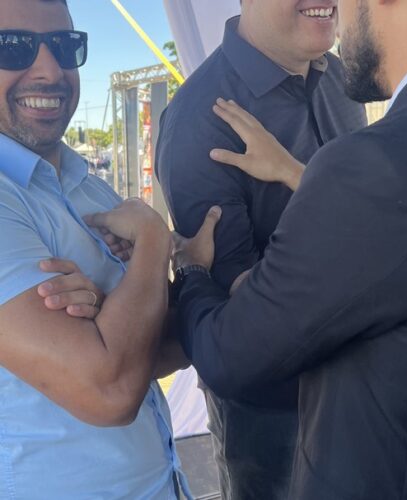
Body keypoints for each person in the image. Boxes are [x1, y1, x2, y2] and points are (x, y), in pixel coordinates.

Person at [166, 0, 407, 498]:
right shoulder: (197, 118)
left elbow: (391, 216)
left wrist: (188, 270)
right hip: (271, 427)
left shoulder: (350, 84)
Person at [155, 1, 367, 497]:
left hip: (369, 386)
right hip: (278, 417)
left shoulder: (341, 77)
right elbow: (245, 308)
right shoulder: (199, 119)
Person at [0, 0, 191, 498]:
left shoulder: (89, 187)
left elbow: (157, 347)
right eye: (13, 47)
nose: (49, 70)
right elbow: (109, 391)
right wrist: (153, 242)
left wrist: (115, 321)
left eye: (65, 46)